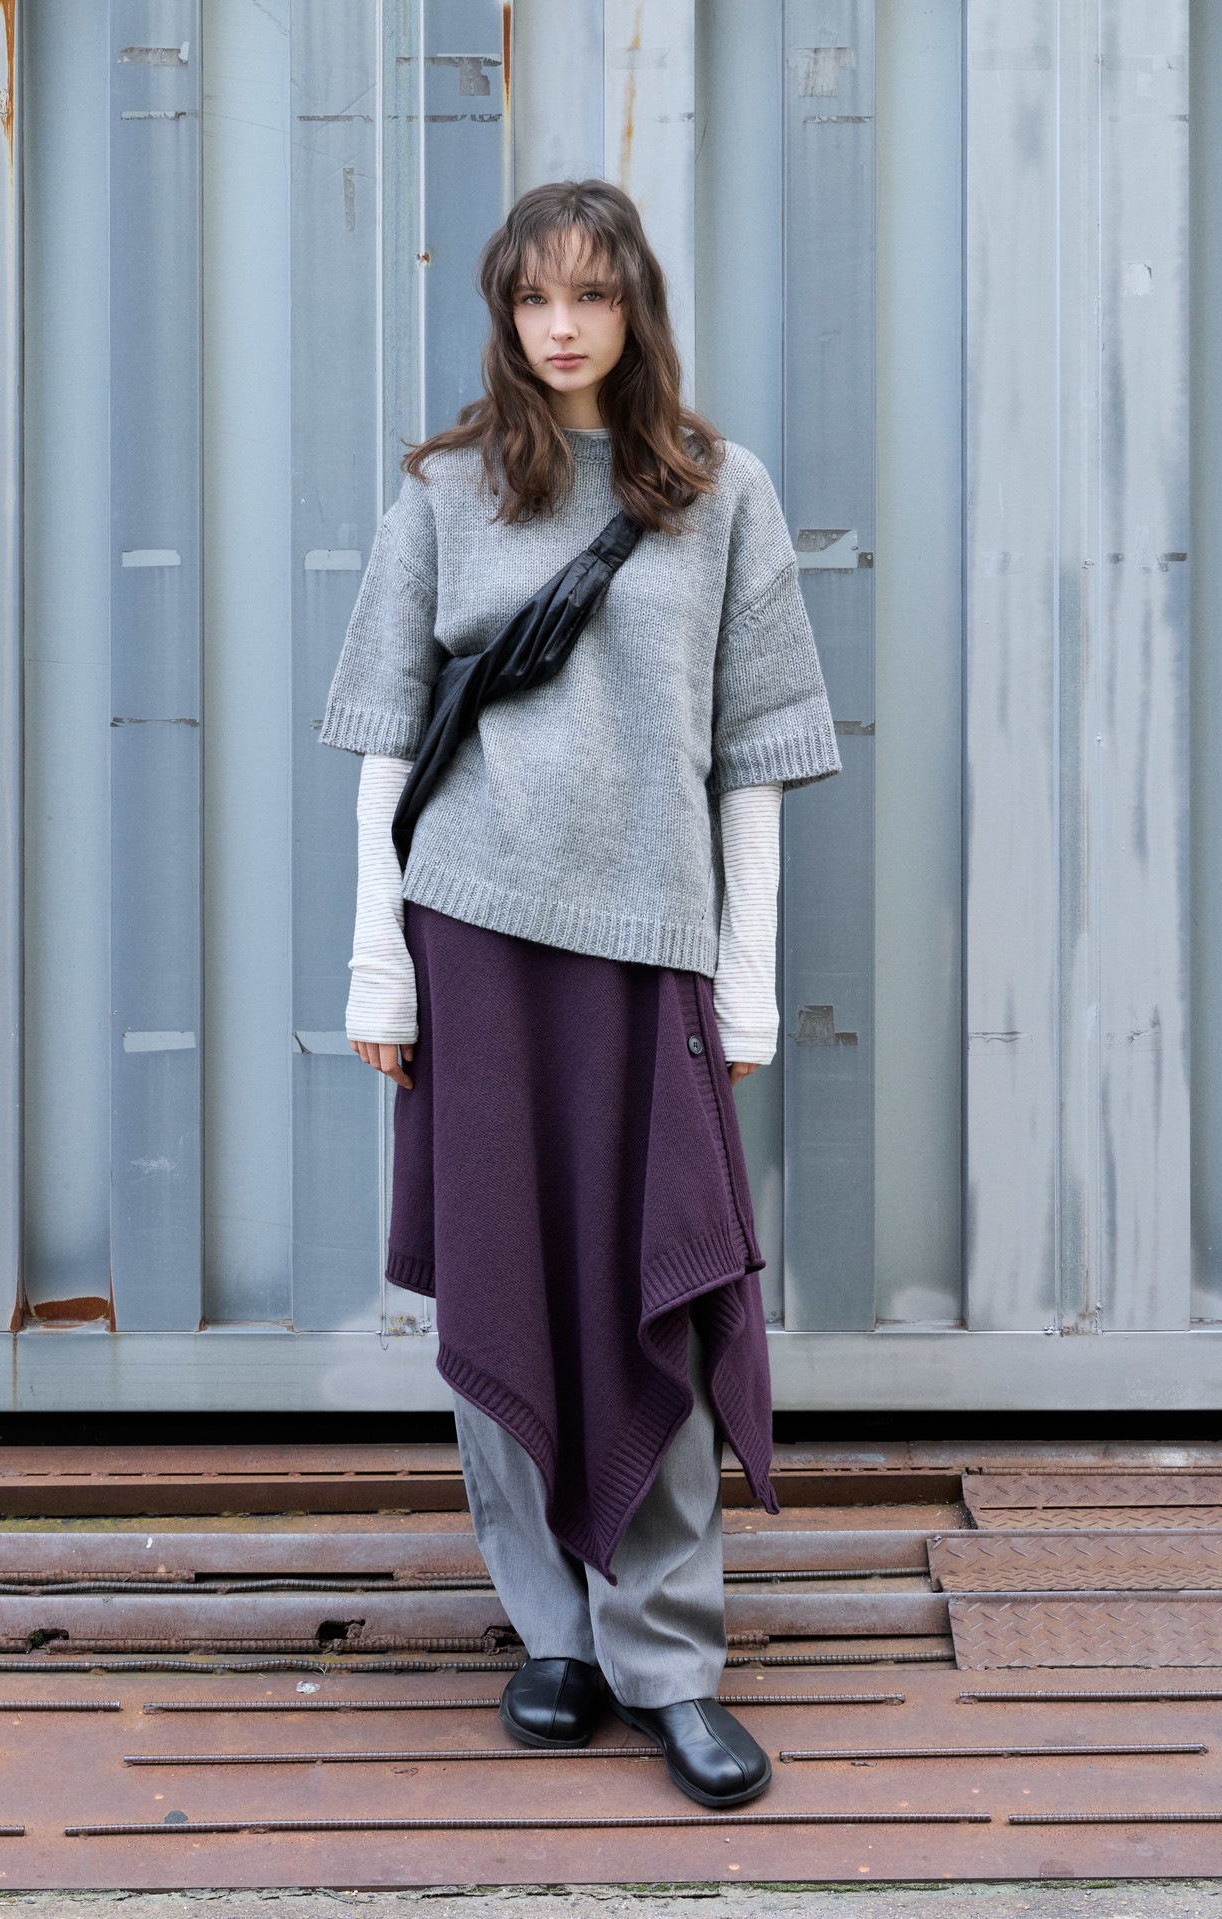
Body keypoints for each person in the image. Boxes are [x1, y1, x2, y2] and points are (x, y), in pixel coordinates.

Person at [320, 179, 839, 1810]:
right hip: (472, 937)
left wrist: (745, 991)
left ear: (635, 309)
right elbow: (387, 755)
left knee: (660, 1285)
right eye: (534, 298)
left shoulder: (720, 492)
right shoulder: (445, 492)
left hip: (647, 948)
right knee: (498, 1283)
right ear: (503, 312)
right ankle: (551, 1632)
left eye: (592, 296)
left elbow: (755, 761)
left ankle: (667, 1658)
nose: (562, 326)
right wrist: (379, 969)